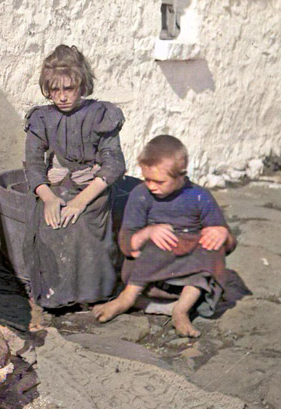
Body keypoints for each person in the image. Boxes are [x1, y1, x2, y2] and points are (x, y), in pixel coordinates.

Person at [92, 135, 248, 337]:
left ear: (181, 176)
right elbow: (126, 242)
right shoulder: (141, 195)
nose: (151, 186)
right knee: (152, 245)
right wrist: (148, 232)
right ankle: (126, 298)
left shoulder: (199, 196)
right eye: (147, 179)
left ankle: (181, 310)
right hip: (149, 272)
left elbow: (229, 244)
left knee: (211, 250)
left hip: (187, 271)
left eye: (159, 181)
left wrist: (222, 233)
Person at [23, 45, 126, 310]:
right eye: (54, 90)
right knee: (51, 224)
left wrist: (80, 201)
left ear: (82, 85)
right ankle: (56, 295)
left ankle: (92, 293)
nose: (62, 97)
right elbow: (33, 164)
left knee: (82, 221)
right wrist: (47, 198)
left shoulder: (100, 114)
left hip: (91, 188)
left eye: (68, 89)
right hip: (56, 187)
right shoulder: (42, 118)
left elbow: (113, 163)